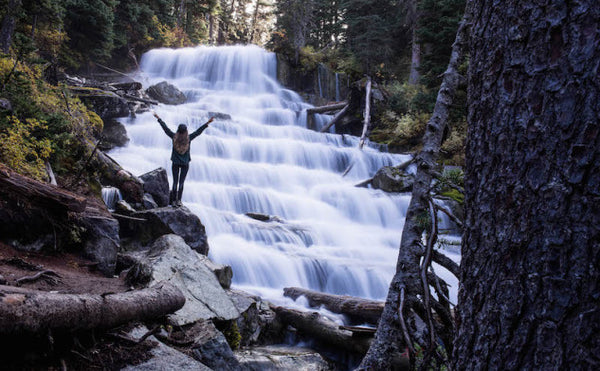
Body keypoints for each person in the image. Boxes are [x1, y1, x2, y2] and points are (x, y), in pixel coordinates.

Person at [153, 112, 214, 207]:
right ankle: (179, 201)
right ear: (186, 131)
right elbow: (198, 132)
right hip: (185, 164)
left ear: (178, 130)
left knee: (175, 182)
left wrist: (159, 118)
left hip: (175, 163)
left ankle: (173, 201)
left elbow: (165, 129)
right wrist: (207, 123)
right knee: (181, 182)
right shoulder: (189, 139)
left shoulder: (173, 137)